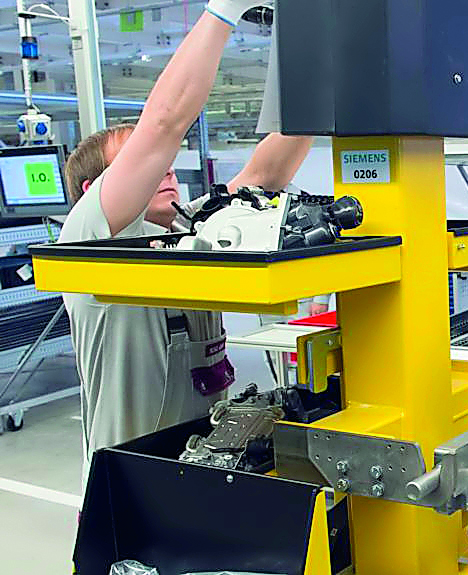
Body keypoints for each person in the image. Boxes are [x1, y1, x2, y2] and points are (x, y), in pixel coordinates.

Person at [58, 0, 314, 485]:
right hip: (130, 483)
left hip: (207, 467)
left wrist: (319, 64)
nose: (168, 170)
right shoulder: (90, 237)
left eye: (167, 165)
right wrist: (226, 9)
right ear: (94, 193)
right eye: (147, 165)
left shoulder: (187, 230)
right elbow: (163, 124)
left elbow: (266, 173)